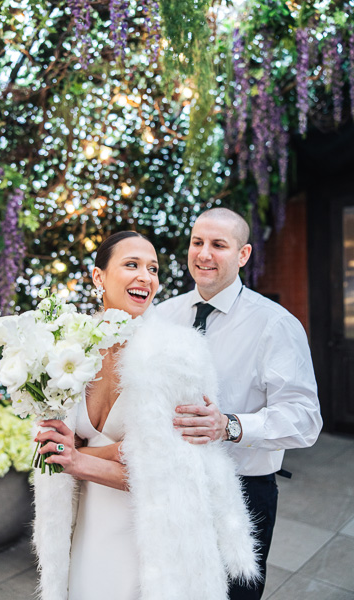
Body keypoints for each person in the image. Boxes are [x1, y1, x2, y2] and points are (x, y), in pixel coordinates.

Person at [33, 231, 259, 600]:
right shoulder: (69, 348)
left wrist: (76, 459)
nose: (146, 277)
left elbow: (167, 465)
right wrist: (83, 450)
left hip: (148, 532)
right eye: (132, 265)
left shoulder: (178, 354)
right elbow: (56, 439)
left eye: (153, 268)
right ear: (98, 277)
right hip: (87, 523)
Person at [156, 207, 323, 600]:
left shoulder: (275, 324)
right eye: (197, 242)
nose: (204, 254)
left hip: (243, 489)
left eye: (218, 245)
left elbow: (304, 420)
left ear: (243, 254)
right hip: (170, 484)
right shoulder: (162, 315)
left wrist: (229, 426)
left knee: (235, 594)